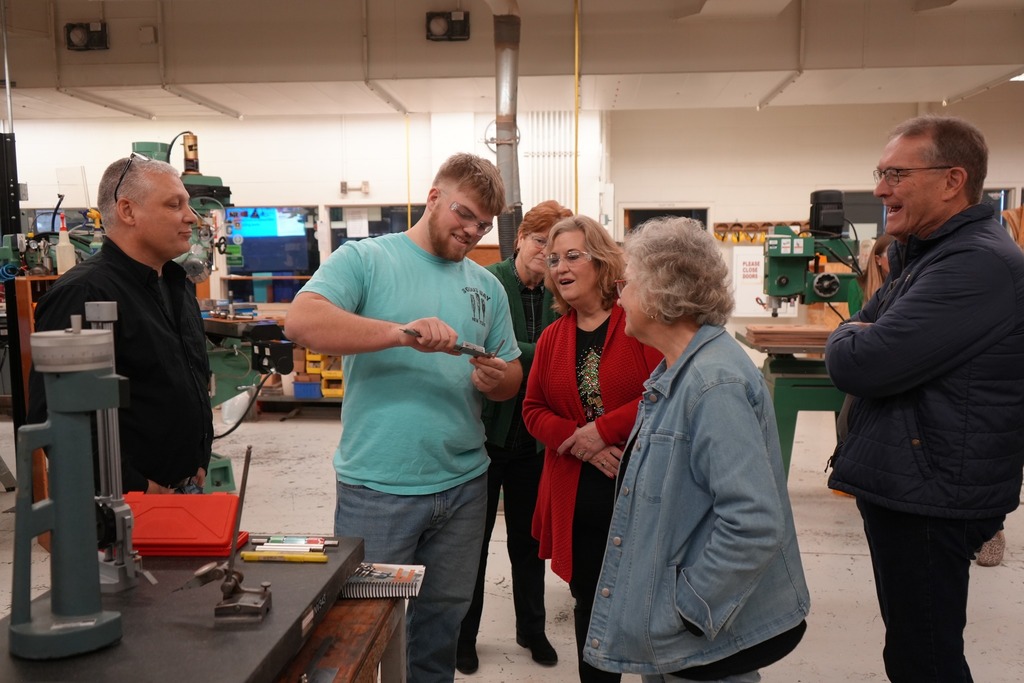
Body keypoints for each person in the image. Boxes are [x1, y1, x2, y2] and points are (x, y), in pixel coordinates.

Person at [283, 153, 523, 683]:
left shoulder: (486, 287)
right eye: (464, 214)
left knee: (442, 622)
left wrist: (496, 378)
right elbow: (302, 322)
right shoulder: (366, 260)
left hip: (464, 484)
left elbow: (511, 372)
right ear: (433, 196)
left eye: (483, 224)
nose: (471, 230)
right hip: (379, 487)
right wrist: (399, 333)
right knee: (365, 626)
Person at [826, 115, 1024, 682]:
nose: (880, 188)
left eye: (895, 173)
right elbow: (866, 330)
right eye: (879, 173)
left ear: (952, 179)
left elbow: (860, 361)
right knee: (913, 650)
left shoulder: (974, 264)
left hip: (932, 491)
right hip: (916, 482)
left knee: (926, 659)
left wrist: (846, 336)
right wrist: (859, 332)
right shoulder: (928, 255)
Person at [583, 217, 810, 683]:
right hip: (683, 636)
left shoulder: (713, 384)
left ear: (662, 293)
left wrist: (687, 607)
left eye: (628, 283)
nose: (619, 296)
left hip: (705, 635)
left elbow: (753, 523)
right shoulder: (681, 372)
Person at [522, 214, 661, 683]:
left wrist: (604, 430)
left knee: (642, 600)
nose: (560, 266)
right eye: (554, 259)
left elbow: (664, 393)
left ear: (600, 261)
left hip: (637, 489)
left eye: (573, 256)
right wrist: (581, 444)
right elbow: (533, 409)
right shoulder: (552, 337)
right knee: (590, 602)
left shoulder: (636, 321)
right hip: (578, 495)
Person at [27, 154, 213, 495]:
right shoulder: (83, 293)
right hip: (120, 502)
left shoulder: (178, 284)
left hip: (185, 487)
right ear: (127, 211)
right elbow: (56, 417)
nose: (191, 216)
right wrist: (137, 487)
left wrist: (198, 457)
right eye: (175, 205)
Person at [457, 200, 571, 674]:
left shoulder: (557, 291)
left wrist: (521, 356)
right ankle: (465, 638)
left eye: (558, 248)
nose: (547, 254)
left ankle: (532, 629)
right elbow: (485, 348)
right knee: (472, 547)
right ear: (521, 238)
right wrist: (542, 352)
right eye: (540, 242)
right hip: (485, 437)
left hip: (533, 443)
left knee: (529, 542)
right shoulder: (487, 281)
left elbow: (565, 347)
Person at [847, 233, 894, 315]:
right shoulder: (856, 286)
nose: (896, 258)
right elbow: (855, 323)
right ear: (878, 259)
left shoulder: (906, 284)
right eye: (891, 254)